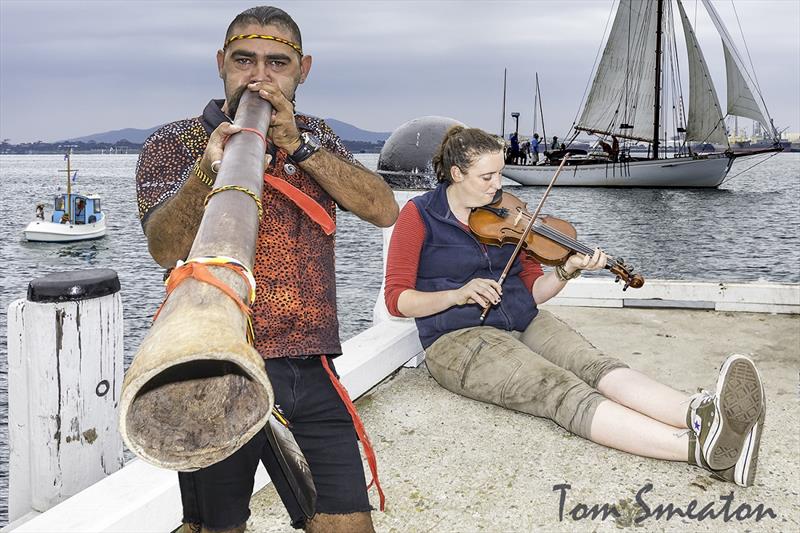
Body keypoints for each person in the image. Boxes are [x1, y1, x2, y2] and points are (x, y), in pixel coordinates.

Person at [384, 126, 765, 491]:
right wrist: (458, 294)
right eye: (487, 177)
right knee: (557, 387)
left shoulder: (510, 216)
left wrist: (567, 270)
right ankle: (698, 451)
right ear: (456, 174)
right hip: (458, 339)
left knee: (592, 364)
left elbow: (533, 291)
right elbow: (397, 300)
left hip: (521, 318)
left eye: (500, 173)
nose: (498, 185)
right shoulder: (419, 217)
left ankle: (698, 413)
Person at [135, 6, 398, 532]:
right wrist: (206, 171)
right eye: (244, 60)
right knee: (219, 525)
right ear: (220, 63)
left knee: (347, 523)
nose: (259, 76)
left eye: (277, 62)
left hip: (310, 364)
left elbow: (382, 209)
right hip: (216, 369)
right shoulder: (174, 142)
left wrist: (298, 146)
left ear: (303, 70)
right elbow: (165, 248)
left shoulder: (316, 134)